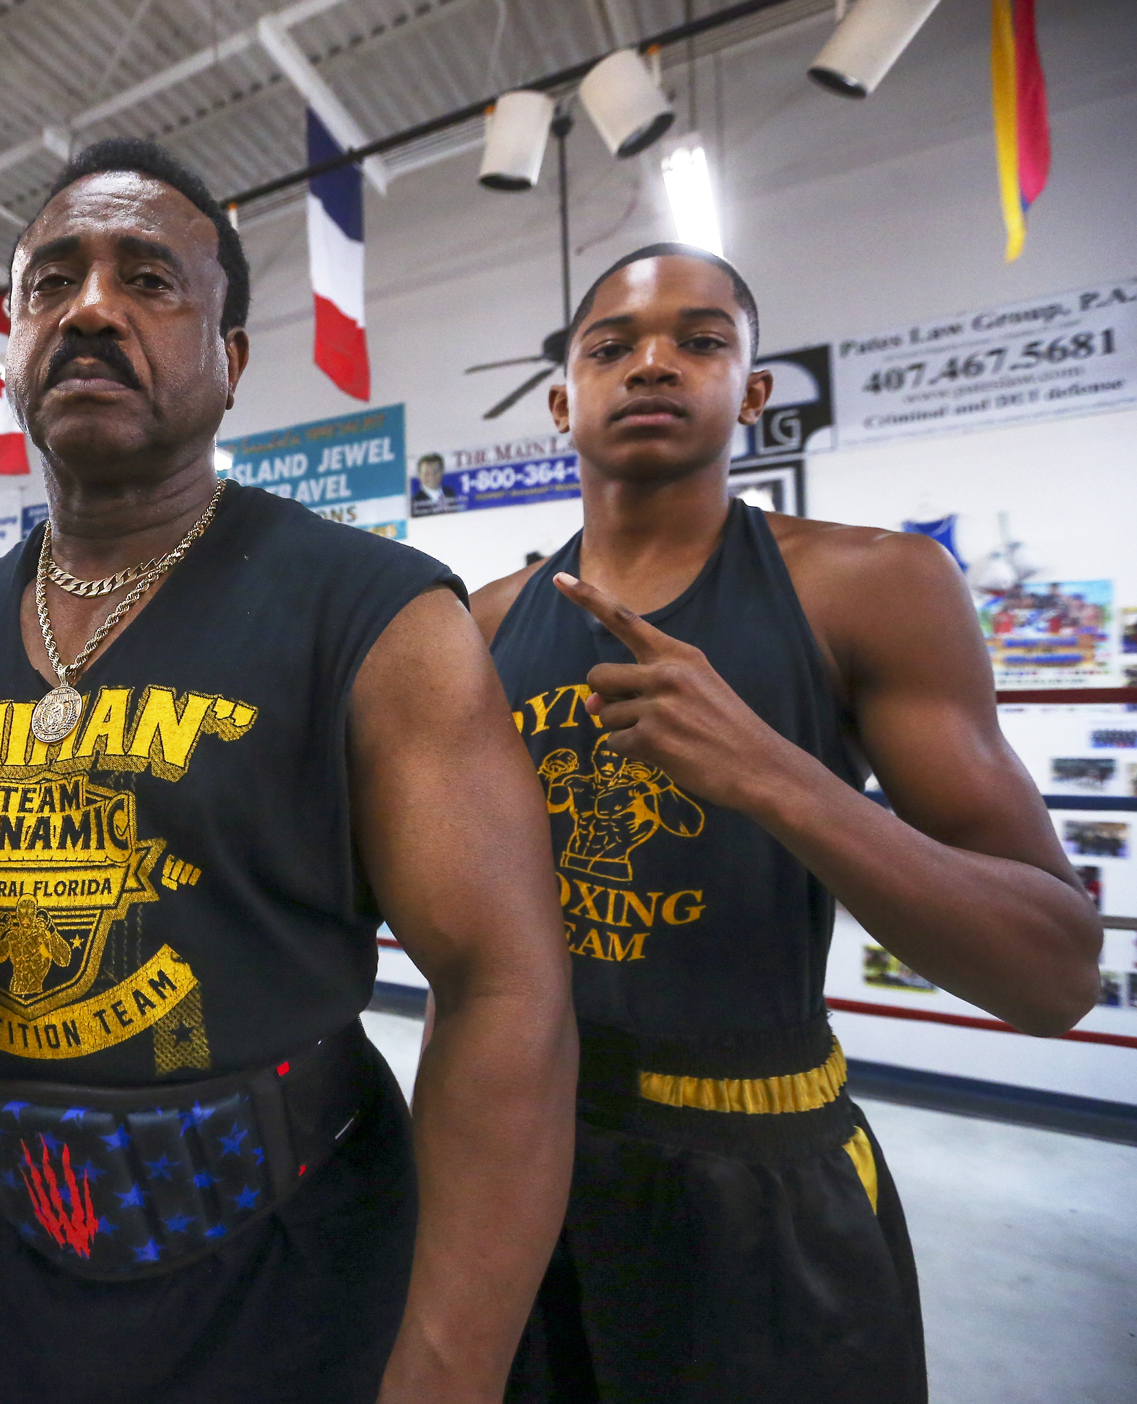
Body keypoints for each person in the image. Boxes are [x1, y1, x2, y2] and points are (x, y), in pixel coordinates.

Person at [0, 137, 578, 1404]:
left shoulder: (372, 613)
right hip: (18, 1280)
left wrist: (447, 1367)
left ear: (228, 366)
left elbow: (506, 986)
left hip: (302, 1276)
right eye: (49, 283)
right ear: (6, 350)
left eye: (149, 280)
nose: (91, 308)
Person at [467, 242, 1102, 1403]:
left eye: (699, 341)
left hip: (756, 1170)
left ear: (750, 391)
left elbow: (1052, 971)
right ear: (561, 399)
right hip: (518, 1155)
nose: (652, 362)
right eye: (611, 346)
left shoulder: (871, 586)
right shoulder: (488, 618)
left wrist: (777, 774)